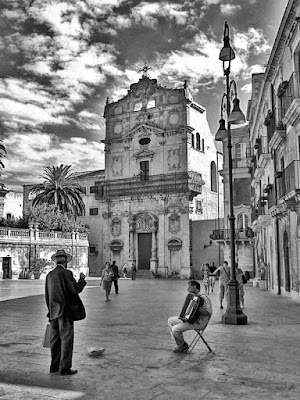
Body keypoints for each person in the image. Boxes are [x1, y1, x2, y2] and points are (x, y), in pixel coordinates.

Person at [45, 249, 86, 376]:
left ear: (56, 261)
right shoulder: (67, 273)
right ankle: (65, 368)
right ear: (66, 261)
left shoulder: (49, 275)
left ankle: (54, 366)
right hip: (65, 312)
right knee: (66, 339)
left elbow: (47, 295)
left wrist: (50, 311)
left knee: (54, 340)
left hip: (53, 312)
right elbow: (75, 289)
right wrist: (81, 280)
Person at [167, 280, 212, 353]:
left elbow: (208, 313)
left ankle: (182, 346)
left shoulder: (204, 298)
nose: (187, 289)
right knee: (170, 320)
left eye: (189, 287)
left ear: (194, 287)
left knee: (175, 329)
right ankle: (181, 344)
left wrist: (198, 308)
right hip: (190, 320)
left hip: (198, 322)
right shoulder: (193, 296)